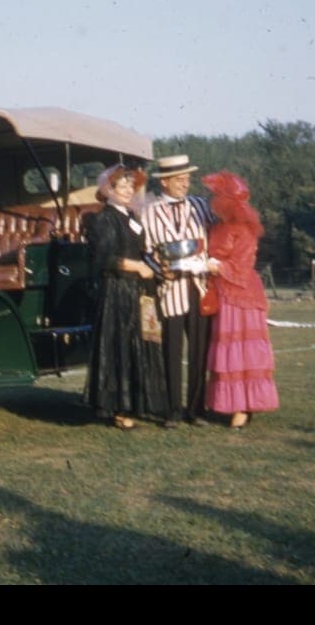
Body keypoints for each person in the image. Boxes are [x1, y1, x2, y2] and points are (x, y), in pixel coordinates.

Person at [84, 164, 169, 430]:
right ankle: (120, 410)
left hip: (141, 291)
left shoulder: (132, 218)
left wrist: (153, 263)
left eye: (130, 186)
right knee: (120, 347)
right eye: (122, 186)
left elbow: (138, 252)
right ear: (109, 190)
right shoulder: (103, 219)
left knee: (142, 345)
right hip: (118, 291)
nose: (127, 191)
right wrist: (138, 267)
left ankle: (139, 403)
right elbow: (104, 260)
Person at [142, 154, 217, 428]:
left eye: (187, 179)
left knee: (199, 350)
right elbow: (147, 251)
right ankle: (171, 410)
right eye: (178, 180)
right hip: (170, 289)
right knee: (170, 351)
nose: (184, 184)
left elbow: (217, 236)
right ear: (164, 182)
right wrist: (163, 271)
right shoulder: (149, 211)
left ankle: (196, 409)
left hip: (198, 286)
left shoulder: (200, 206)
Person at [201, 170, 279, 429]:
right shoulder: (221, 226)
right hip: (226, 294)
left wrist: (216, 267)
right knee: (232, 351)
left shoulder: (241, 229)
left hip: (240, 295)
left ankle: (243, 407)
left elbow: (242, 266)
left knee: (242, 352)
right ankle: (234, 404)